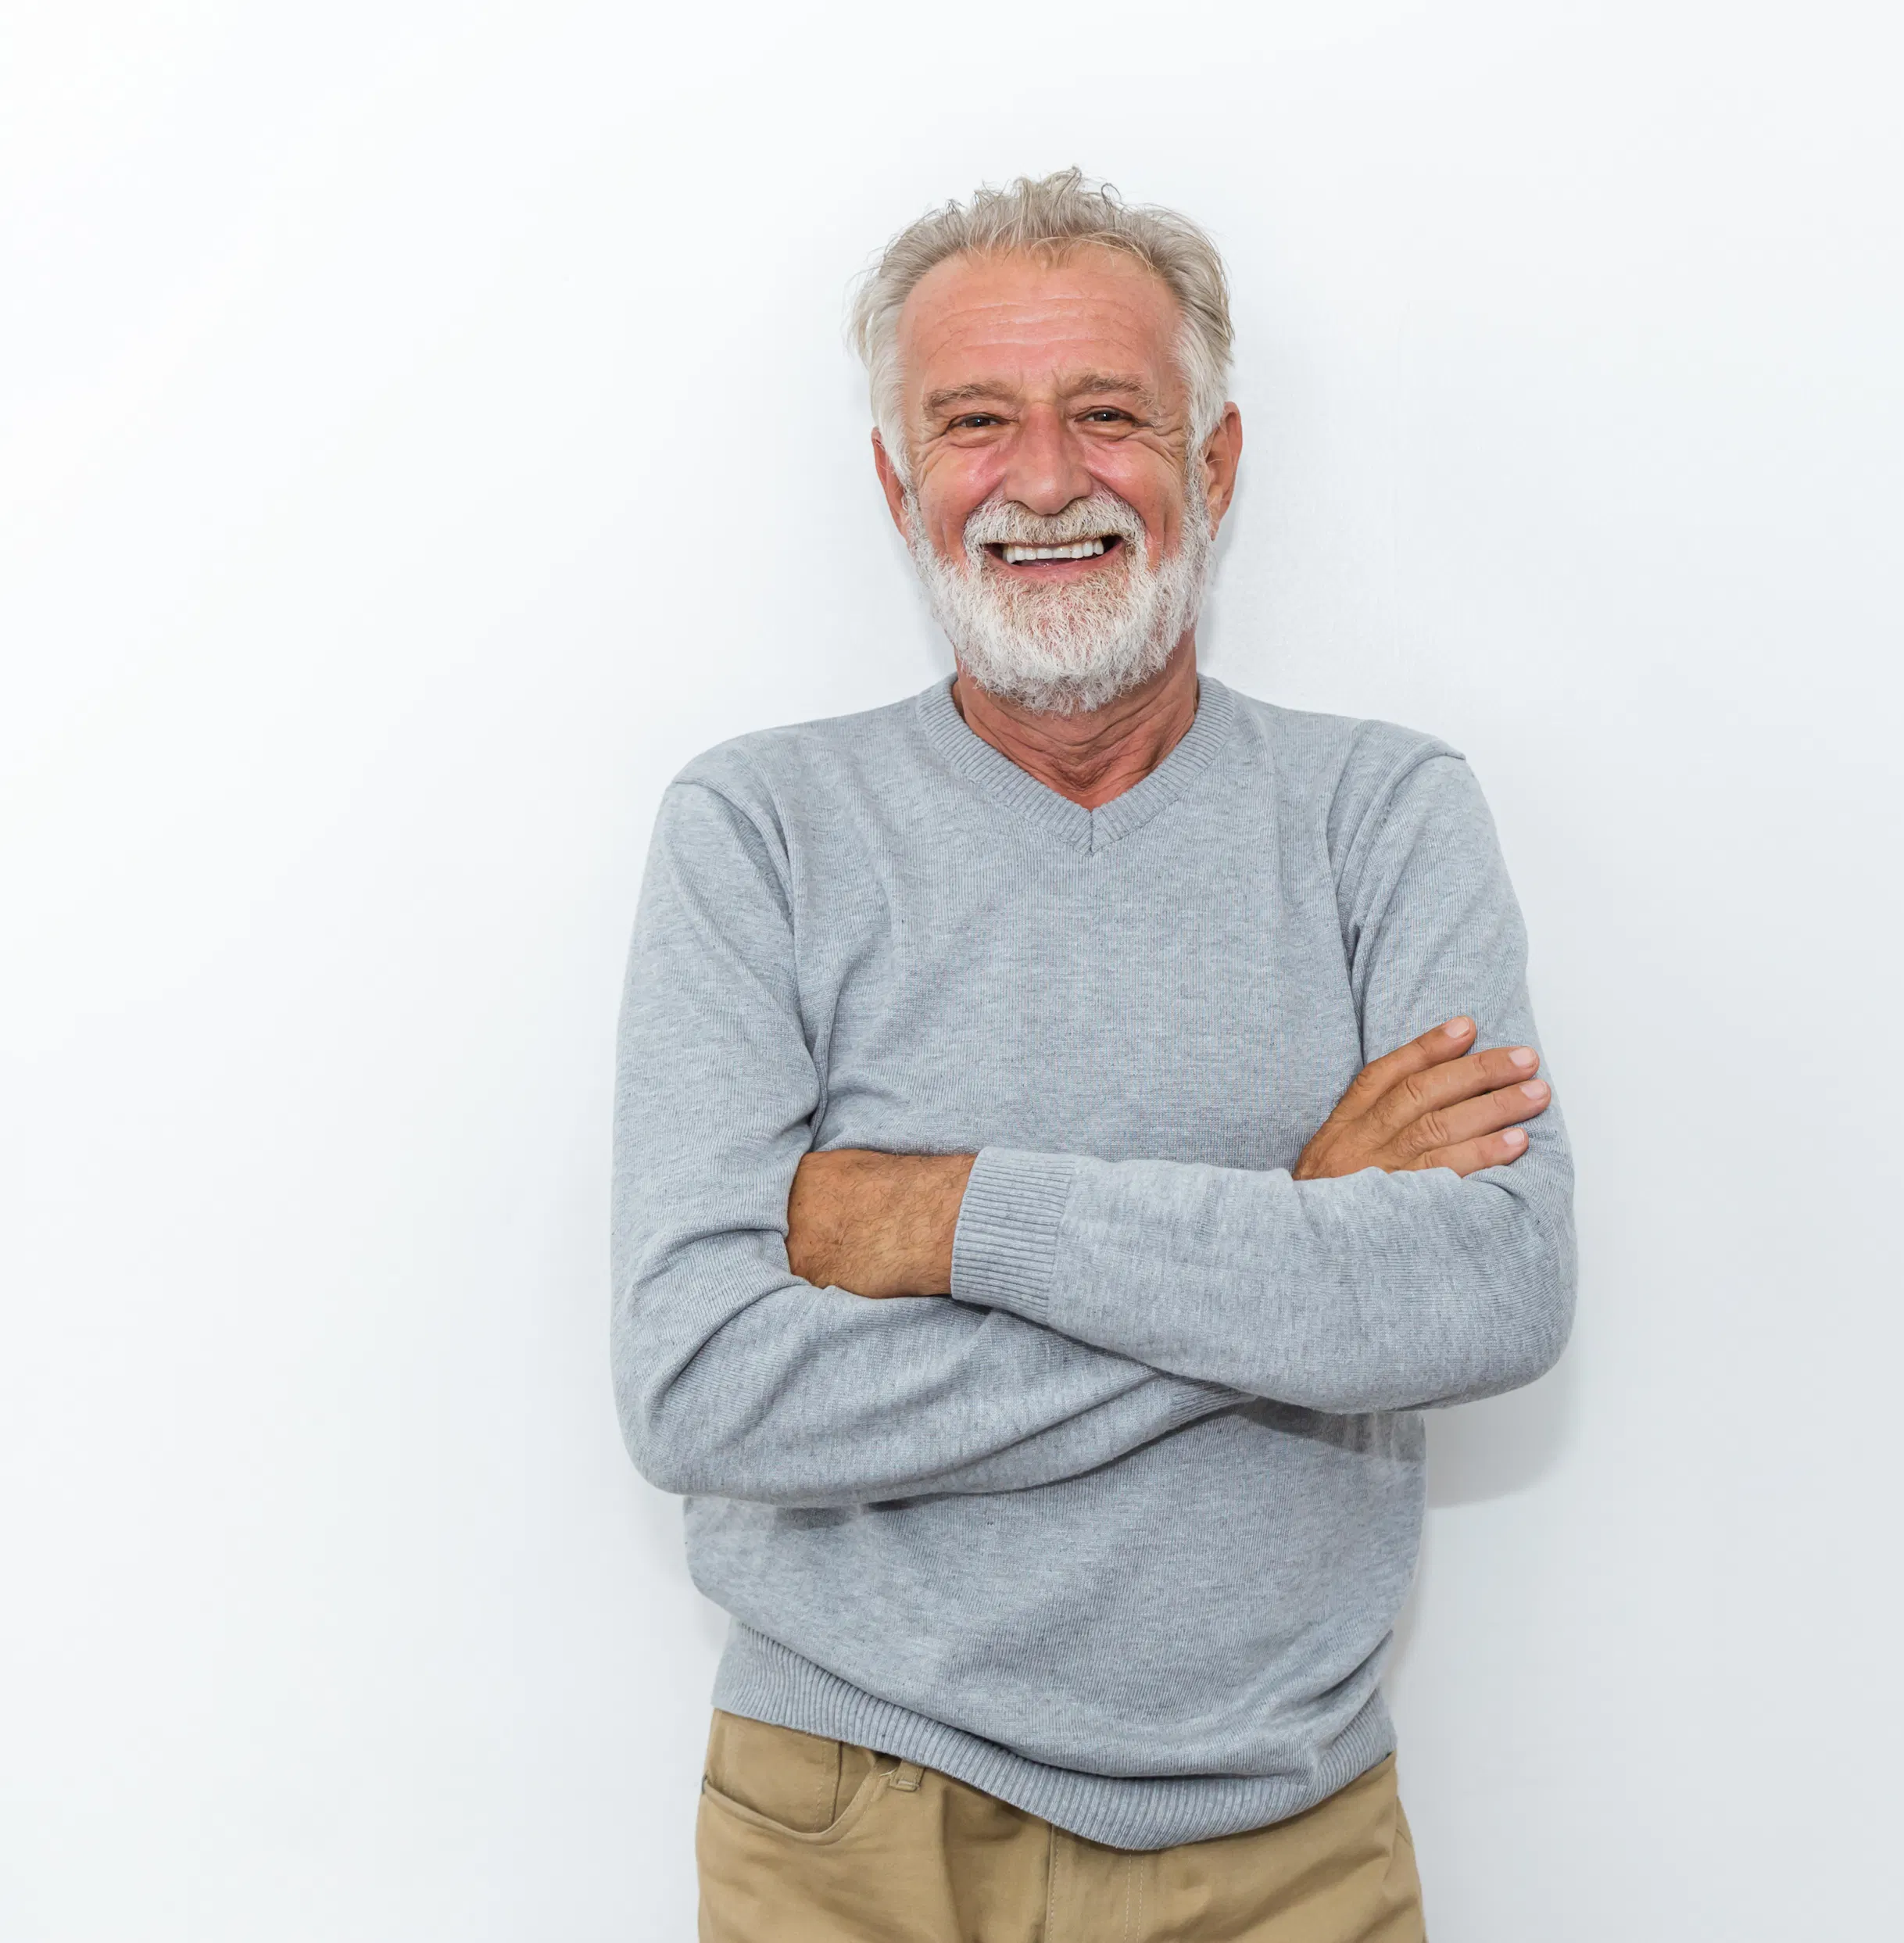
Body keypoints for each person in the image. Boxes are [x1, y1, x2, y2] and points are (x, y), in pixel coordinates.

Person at [608, 170, 1576, 1941]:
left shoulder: (1385, 813)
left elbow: (1492, 1291)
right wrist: (1294, 1232)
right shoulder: (759, 827)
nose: (1043, 480)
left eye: (1107, 414)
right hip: (845, 1822)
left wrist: (955, 1217)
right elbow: (704, 1390)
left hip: (1286, 1830)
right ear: (901, 485)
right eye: (975, 423)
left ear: (1212, 465)